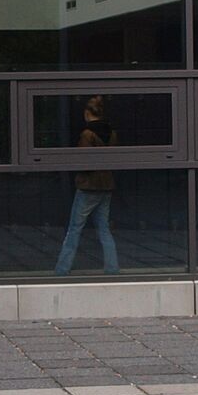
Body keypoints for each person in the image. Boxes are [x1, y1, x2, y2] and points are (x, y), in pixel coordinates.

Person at [55, 95, 120, 274]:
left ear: (87, 113)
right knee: (104, 229)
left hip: (88, 187)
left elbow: (83, 162)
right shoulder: (112, 133)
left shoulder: (87, 134)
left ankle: (62, 269)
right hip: (106, 186)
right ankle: (112, 268)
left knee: (74, 229)